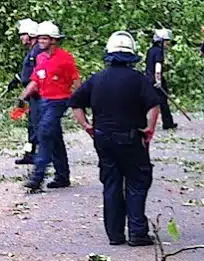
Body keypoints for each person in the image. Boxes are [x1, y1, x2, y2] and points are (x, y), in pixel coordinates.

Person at [70, 31, 160, 247]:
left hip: (103, 139)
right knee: (137, 183)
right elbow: (154, 106)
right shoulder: (139, 79)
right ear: (131, 55)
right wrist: (149, 129)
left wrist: (87, 126)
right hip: (130, 139)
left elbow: (75, 103)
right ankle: (137, 232)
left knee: (111, 183)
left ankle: (115, 234)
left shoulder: (96, 79)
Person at [18, 21, 80, 189]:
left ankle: (37, 177)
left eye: (45, 38)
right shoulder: (40, 57)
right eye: (39, 38)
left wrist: (79, 103)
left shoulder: (65, 58)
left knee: (44, 132)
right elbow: (36, 79)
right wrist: (23, 96)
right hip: (44, 100)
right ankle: (62, 176)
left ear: (54, 40)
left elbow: (76, 82)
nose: (41, 41)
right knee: (54, 137)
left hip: (59, 101)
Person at [9, 19, 42, 165]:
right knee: (31, 125)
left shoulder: (37, 52)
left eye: (23, 34)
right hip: (30, 94)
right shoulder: (32, 52)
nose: (21, 38)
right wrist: (18, 78)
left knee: (36, 125)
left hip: (37, 95)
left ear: (31, 35)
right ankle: (30, 153)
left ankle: (44, 155)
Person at [145, 28, 177, 130]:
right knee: (163, 102)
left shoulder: (150, 50)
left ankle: (143, 123)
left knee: (148, 102)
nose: (167, 43)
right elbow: (158, 66)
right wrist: (158, 79)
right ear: (161, 41)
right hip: (156, 79)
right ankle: (168, 123)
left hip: (148, 78)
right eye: (166, 41)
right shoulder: (159, 51)